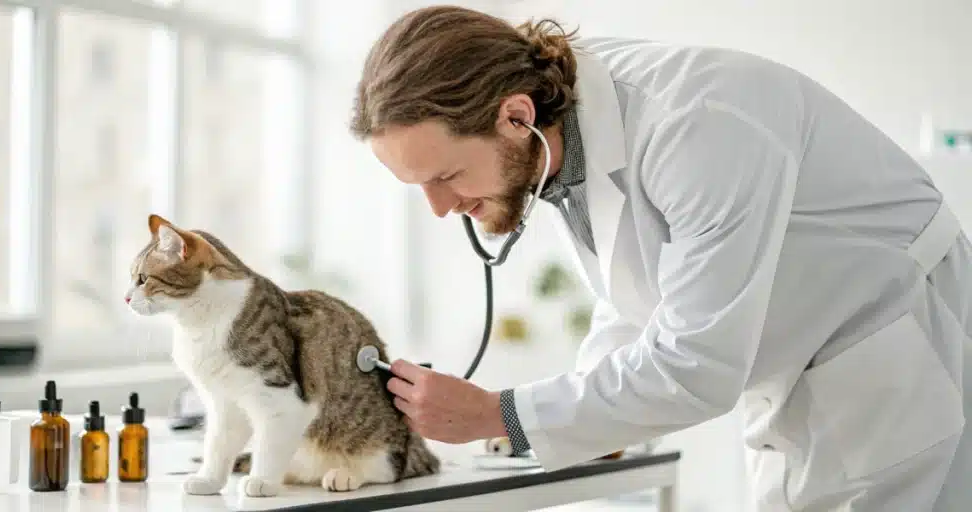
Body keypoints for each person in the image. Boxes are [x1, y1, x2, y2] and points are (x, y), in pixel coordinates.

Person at [348, 5, 972, 511]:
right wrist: (588, 431)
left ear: (516, 116)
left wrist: (502, 414)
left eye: (447, 176)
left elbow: (696, 364)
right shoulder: (567, 147)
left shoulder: (696, 124)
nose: (439, 208)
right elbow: (637, 301)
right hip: (802, 360)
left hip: (892, 339)